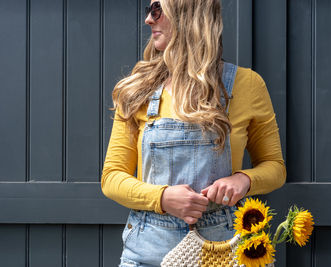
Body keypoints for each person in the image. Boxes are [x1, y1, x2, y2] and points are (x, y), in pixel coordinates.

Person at [101, 0, 286, 266]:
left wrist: (243, 180)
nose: (148, 20)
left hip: (223, 251)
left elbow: (275, 167)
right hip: (146, 253)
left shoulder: (247, 85)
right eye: (148, 11)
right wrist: (162, 198)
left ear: (188, 15)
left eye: (156, 9)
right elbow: (111, 177)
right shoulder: (138, 89)